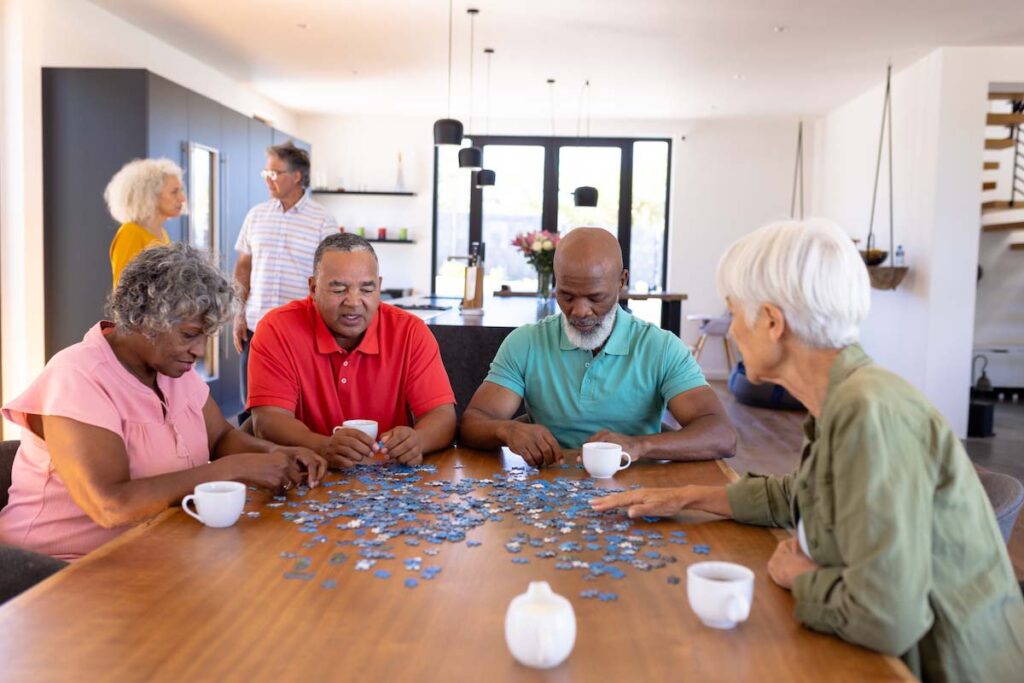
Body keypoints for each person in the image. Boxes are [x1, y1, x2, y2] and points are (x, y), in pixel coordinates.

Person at [592, 220, 1024, 680]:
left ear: (773, 323)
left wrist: (798, 577)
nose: (733, 330)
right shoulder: (846, 397)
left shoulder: (868, 411)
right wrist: (685, 496)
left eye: (735, 312)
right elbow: (807, 493)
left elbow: (885, 618)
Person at [0, 244, 326, 562]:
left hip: (153, 550)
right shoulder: (77, 376)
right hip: (56, 572)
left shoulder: (172, 370)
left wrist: (275, 454)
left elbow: (221, 438)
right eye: (189, 335)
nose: (198, 351)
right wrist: (232, 470)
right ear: (145, 318)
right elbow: (111, 505)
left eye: (205, 337)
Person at [459, 227, 736, 467]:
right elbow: (472, 424)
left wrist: (641, 446)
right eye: (566, 295)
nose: (580, 311)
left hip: (642, 489)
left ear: (622, 282)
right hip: (549, 488)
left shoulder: (661, 348)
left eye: (596, 297)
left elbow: (722, 435)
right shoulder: (525, 342)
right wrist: (506, 430)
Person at [247, 233, 457, 467]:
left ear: (379, 286)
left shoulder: (410, 332)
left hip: (392, 482)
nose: (354, 302)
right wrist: (322, 446)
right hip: (305, 477)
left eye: (366, 290)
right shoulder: (276, 329)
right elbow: (267, 420)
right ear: (313, 288)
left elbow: (442, 416)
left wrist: (418, 440)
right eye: (339, 290)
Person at [233, 142, 337, 418]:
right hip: (257, 326)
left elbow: (330, 276)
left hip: (301, 329)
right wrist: (237, 312)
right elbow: (243, 267)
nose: (269, 178)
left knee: (297, 410)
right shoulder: (255, 215)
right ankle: (252, 461)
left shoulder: (323, 221)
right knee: (252, 411)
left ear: (297, 176)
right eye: (265, 172)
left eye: (275, 172)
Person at [105, 158, 186, 287]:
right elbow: (123, 293)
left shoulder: (162, 233)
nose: (182, 198)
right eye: (174, 192)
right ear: (150, 196)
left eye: (181, 190)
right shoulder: (131, 233)